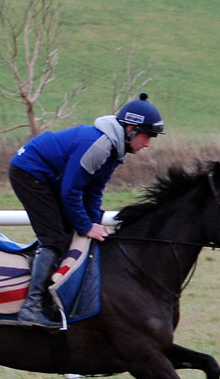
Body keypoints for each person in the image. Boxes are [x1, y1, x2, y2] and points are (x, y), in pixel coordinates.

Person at [9, 93, 165, 328]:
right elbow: (70, 191)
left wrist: (93, 223)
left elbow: (93, 191)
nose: (147, 144)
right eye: (147, 136)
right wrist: (86, 226)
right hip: (30, 173)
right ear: (131, 129)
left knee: (72, 230)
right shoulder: (99, 146)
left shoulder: (115, 149)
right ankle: (31, 307)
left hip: (49, 177)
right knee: (54, 238)